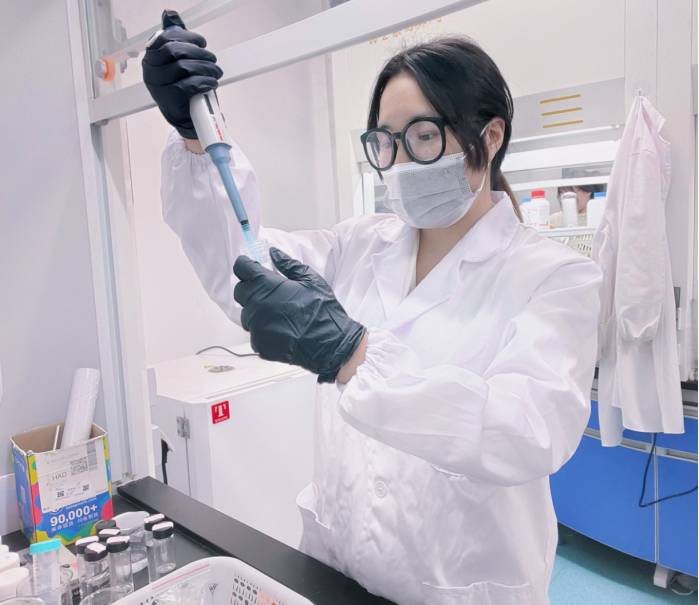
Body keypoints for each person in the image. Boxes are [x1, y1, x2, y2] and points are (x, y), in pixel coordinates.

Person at [144, 12, 602, 605]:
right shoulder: (359, 244)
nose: (402, 162)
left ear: (489, 138)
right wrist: (196, 137)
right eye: (386, 141)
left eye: (424, 136)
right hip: (336, 571)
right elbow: (243, 263)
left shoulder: (555, 277)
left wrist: (353, 355)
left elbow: (525, 432)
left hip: (458, 590)